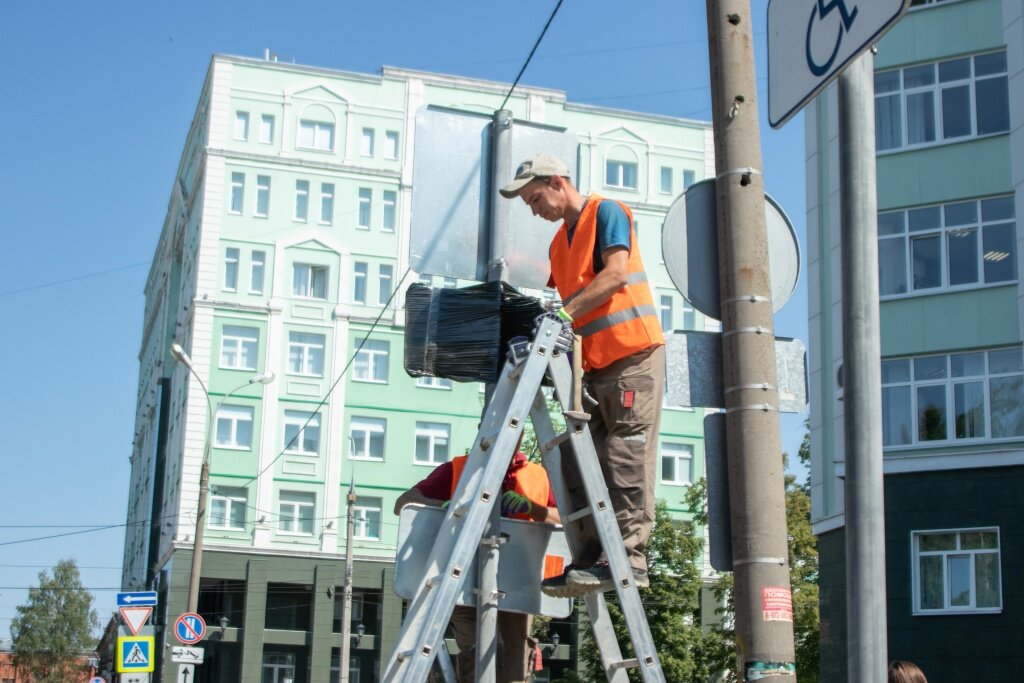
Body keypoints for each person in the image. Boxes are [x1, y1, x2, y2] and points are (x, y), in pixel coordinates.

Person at [500, 153, 665, 597]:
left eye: (536, 199)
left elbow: (613, 277)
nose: (535, 210)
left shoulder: (607, 212)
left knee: (625, 461)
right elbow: (553, 296)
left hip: (633, 358)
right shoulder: (558, 244)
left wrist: (562, 317)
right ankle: (590, 558)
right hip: (592, 371)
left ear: (557, 181)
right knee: (578, 465)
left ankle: (629, 560)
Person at [394, 447, 560, 683]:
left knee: (515, 657)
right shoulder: (459, 469)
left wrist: (532, 508)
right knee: (479, 650)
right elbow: (404, 503)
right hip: (463, 582)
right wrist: (452, 507)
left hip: (517, 588)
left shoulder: (537, 475)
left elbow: (566, 521)